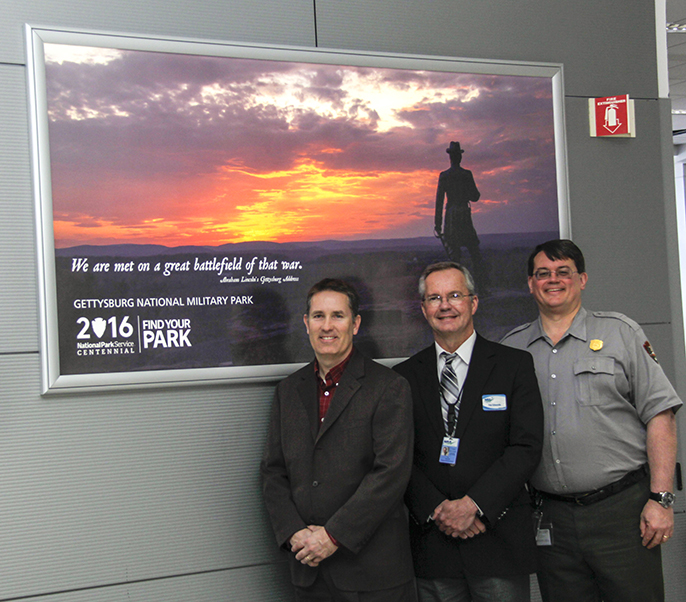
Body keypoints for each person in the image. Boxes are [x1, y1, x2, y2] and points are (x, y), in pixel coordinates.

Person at [501, 239, 682, 602]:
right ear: (530, 284)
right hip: (550, 519)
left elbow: (660, 415)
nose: (553, 280)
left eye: (563, 272)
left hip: (621, 512)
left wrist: (661, 500)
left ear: (582, 279)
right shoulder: (512, 348)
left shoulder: (621, 334)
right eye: (543, 274)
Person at [394, 261, 544, 602]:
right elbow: (397, 455)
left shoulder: (514, 365)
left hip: (497, 539)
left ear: (473, 303)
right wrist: (438, 510)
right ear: (423, 309)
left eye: (455, 295)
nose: (445, 305)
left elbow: (526, 447)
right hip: (433, 544)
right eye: (434, 298)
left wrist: (475, 505)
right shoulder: (402, 377)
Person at [260, 278, 417, 601]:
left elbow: (390, 473)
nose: (327, 326)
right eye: (318, 316)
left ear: (356, 323)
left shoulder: (389, 387)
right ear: (306, 323)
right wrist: (294, 533)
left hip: (372, 575)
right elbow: (273, 473)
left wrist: (332, 536)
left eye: (338, 316)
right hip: (309, 571)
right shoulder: (287, 391)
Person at [434, 142, 484, 283]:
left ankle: (458, 284)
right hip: (463, 214)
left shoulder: (444, 176)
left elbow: (439, 201)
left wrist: (437, 224)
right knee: (474, 252)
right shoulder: (466, 174)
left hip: (451, 216)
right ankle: (482, 285)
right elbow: (475, 196)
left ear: (450, 157)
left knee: (455, 254)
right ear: (459, 157)